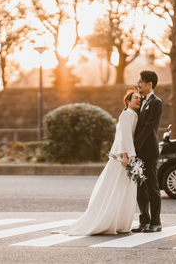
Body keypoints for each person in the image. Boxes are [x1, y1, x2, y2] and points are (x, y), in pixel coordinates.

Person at [51, 90, 141, 236]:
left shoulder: (133, 114)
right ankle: (111, 219)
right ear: (128, 101)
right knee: (117, 187)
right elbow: (123, 137)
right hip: (124, 157)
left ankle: (119, 221)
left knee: (122, 188)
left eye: (139, 98)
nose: (139, 100)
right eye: (136, 98)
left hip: (128, 155)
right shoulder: (127, 114)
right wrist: (125, 156)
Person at [131, 70, 163, 233]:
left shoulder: (156, 103)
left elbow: (149, 127)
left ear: (149, 84)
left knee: (152, 187)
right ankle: (144, 220)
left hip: (149, 151)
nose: (138, 84)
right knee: (140, 188)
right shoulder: (140, 100)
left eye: (140, 81)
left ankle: (156, 222)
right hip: (138, 152)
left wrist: (134, 146)